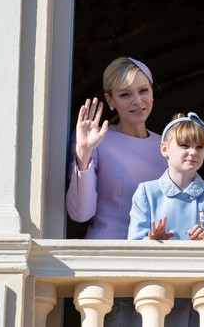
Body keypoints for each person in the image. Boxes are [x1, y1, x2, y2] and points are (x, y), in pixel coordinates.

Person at [65, 57, 168, 326]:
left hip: (159, 266)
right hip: (108, 264)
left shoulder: (168, 146)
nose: (137, 101)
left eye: (143, 91)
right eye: (125, 94)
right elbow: (80, 213)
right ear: (110, 100)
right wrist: (84, 155)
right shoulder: (95, 141)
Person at [128, 112, 204, 326]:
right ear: (164, 149)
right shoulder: (146, 192)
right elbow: (132, 247)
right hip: (156, 295)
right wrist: (151, 241)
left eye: (199, 147)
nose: (193, 152)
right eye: (185, 145)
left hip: (200, 297)